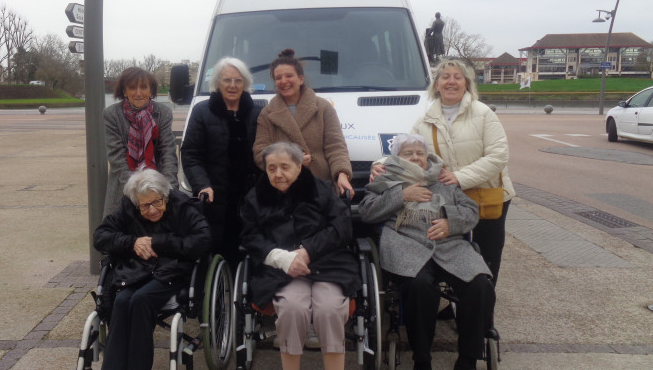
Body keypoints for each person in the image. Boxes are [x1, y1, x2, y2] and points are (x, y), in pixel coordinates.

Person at [240, 142, 361, 370]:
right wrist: (283, 258)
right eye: (271, 168)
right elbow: (251, 238)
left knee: (330, 310)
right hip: (281, 271)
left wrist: (307, 250)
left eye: (285, 167)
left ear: (299, 166)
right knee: (292, 308)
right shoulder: (256, 197)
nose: (278, 174)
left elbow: (342, 226)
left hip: (328, 264)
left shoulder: (320, 189)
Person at [358, 133, 496, 370]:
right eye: (408, 153)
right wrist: (400, 194)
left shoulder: (443, 181)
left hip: (450, 247)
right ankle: (422, 366)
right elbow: (366, 212)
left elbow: (471, 211)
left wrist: (450, 222)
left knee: (480, 286)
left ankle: (466, 364)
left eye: (419, 153)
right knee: (421, 288)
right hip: (407, 248)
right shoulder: (386, 180)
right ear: (397, 157)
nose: (415, 157)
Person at [81, 169, 211, 370]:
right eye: (145, 206)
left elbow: (202, 241)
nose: (152, 210)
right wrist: (132, 242)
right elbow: (101, 236)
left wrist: (159, 242)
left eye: (157, 203)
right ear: (135, 201)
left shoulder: (182, 207)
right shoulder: (130, 205)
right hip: (136, 273)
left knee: (138, 301)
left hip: (171, 274)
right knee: (121, 302)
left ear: (165, 195)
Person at [372, 59, 514, 284]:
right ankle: (455, 301)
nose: (451, 82)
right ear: (436, 84)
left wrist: (460, 177)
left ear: (466, 84)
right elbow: (408, 148)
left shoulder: (483, 113)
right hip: (451, 194)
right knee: (457, 249)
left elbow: (498, 156)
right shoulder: (425, 119)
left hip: (485, 193)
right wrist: (379, 165)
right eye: (445, 77)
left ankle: (485, 311)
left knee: (487, 255)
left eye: (457, 77)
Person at [180, 57, 262, 267]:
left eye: (238, 80)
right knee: (216, 253)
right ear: (217, 82)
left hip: (250, 197)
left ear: (245, 84)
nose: (232, 85)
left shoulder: (258, 113)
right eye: (227, 80)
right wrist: (202, 185)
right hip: (214, 197)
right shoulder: (202, 111)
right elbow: (191, 154)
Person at [253, 48, 354, 197]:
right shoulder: (267, 114)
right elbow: (259, 152)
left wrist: (342, 174)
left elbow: (336, 146)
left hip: (320, 188)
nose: (283, 81)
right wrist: (292, 161)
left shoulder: (323, 108)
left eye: (289, 76)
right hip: (283, 191)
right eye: (278, 78)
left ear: (301, 79)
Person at [103, 67, 178, 217]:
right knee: (120, 236)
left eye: (143, 87)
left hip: (159, 188)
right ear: (124, 91)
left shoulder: (163, 113)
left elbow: (167, 152)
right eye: (132, 88)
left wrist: (167, 189)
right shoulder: (112, 114)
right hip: (124, 187)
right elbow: (117, 157)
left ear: (151, 91)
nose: (138, 93)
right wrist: (137, 191)